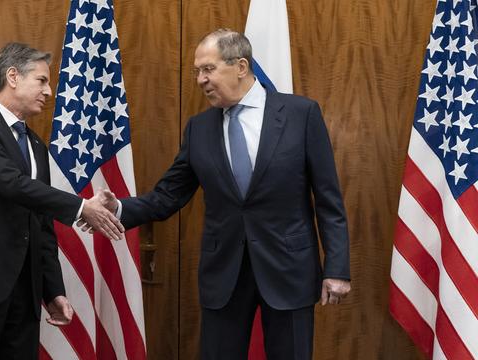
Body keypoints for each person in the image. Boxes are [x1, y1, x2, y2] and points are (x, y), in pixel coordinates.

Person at [104, 29, 351, 359]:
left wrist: (336, 268)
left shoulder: (300, 114)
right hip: (225, 275)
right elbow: (168, 196)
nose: (200, 80)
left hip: (289, 269)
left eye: (208, 69)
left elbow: (328, 199)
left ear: (241, 66)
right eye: (197, 72)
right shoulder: (199, 129)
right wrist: (118, 208)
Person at [0, 42, 124, 360]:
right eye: (42, 80)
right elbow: (11, 184)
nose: (49, 92)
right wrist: (80, 206)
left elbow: (41, 224)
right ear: (13, 76)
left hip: (23, 289)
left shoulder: (35, 144)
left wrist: (54, 290)